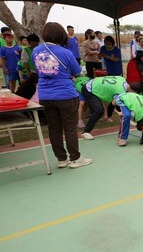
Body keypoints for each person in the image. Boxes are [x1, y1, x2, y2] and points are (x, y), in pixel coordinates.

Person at [32, 22, 92, 168]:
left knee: (54, 128)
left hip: (45, 95)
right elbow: (77, 71)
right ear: (61, 35)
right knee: (70, 127)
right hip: (65, 94)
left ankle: (61, 159)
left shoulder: (36, 51)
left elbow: (37, 70)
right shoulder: (65, 52)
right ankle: (75, 158)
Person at [78, 75, 129, 140]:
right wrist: (108, 116)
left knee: (103, 108)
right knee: (99, 110)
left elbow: (117, 104)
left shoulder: (122, 79)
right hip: (88, 90)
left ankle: (123, 124)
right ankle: (85, 132)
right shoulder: (121, 91)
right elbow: (112, 105)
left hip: (95, 86)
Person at [16, 34, 40, 100]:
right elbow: (25, 62)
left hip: (38, 72)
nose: (36, 43)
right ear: (30, 42)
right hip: (30, 73)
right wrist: (27, 71)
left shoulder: (39, 49)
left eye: (37, 42)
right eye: (34, 42)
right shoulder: (26, 50)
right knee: (28, 89)